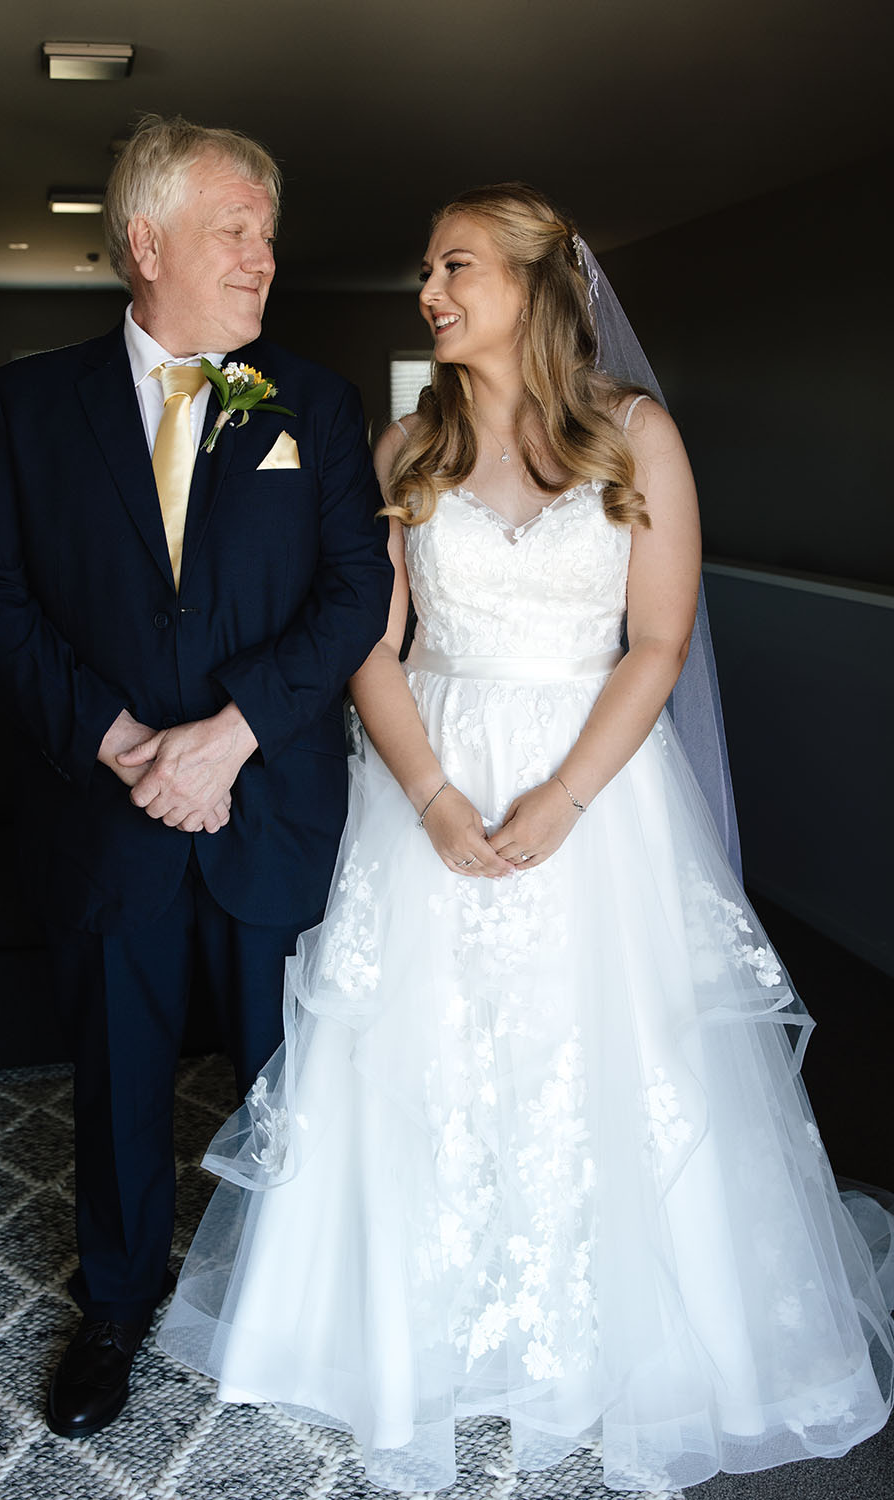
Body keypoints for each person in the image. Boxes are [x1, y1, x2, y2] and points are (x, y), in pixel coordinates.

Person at [156, 184, 894, 1493]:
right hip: (424, 782)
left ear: (541, 287)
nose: (428, 291)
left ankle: (606, 1342)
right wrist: (436, 793)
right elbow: (368, 647)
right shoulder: (401, 453)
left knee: (600, 1047)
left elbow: (657, 643)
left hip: (594, 786)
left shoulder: (636, 436)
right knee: (423, 1053)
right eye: (428, 270)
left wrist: (561, 798)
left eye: (456, 266)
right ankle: (422, 1340)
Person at [0, 114, 393, 1440]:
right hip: (107, 808)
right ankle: (118, 1305)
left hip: (275, 798)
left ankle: (298, 1297)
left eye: (267, 233)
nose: (263, 258)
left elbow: (353, 590)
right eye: (233, 232)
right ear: (144, 244)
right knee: (119, 1068)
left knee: (292, 1068)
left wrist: (231, 734)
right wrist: (124, 740)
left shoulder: (302, 402)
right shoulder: (31, 405)